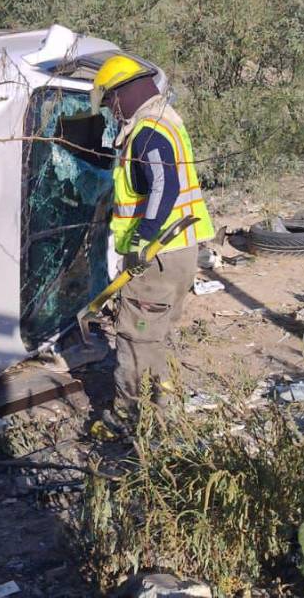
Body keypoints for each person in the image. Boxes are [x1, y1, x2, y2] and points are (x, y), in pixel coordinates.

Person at [88, 55, 215, 429]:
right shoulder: (167, 120)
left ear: (122, 93)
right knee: (156, 330)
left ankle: (134, 419)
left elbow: (164, 184)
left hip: (156, 255)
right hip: (181, 248)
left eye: (109, 101)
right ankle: (159, 397)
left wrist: (143, 240)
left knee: (137, 336)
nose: (111, 111)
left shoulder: (147, 131)